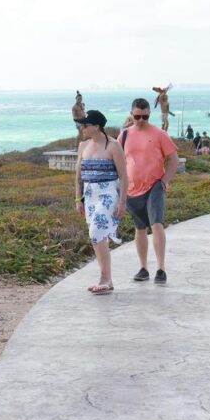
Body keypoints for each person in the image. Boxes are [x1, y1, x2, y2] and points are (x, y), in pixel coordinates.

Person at [119, 98, 180, 284]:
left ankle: (161, 269)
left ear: (149, 115)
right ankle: (143, 267)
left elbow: (174, 159)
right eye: (137, 116)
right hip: (131, 188)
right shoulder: (125, 135)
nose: (141, 120)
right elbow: (118, 161)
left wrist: (164, 181)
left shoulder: (159, 134)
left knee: (157, 224)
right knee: (140, 228)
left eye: (145, 116)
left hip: (155, 185)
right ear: (131, 114)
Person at [75, 111, 128, 295]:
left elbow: (124, 176)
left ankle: (105, 279)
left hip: (108, 193)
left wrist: (122, 202)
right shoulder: (83, 146)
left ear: (96, 126)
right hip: (90, 195)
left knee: (96, 231)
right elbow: (78, 178)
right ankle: (106, 279)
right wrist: (78, 199)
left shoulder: (113, 146)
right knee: (97, 237)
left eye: (85, 125)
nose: (82, 128)